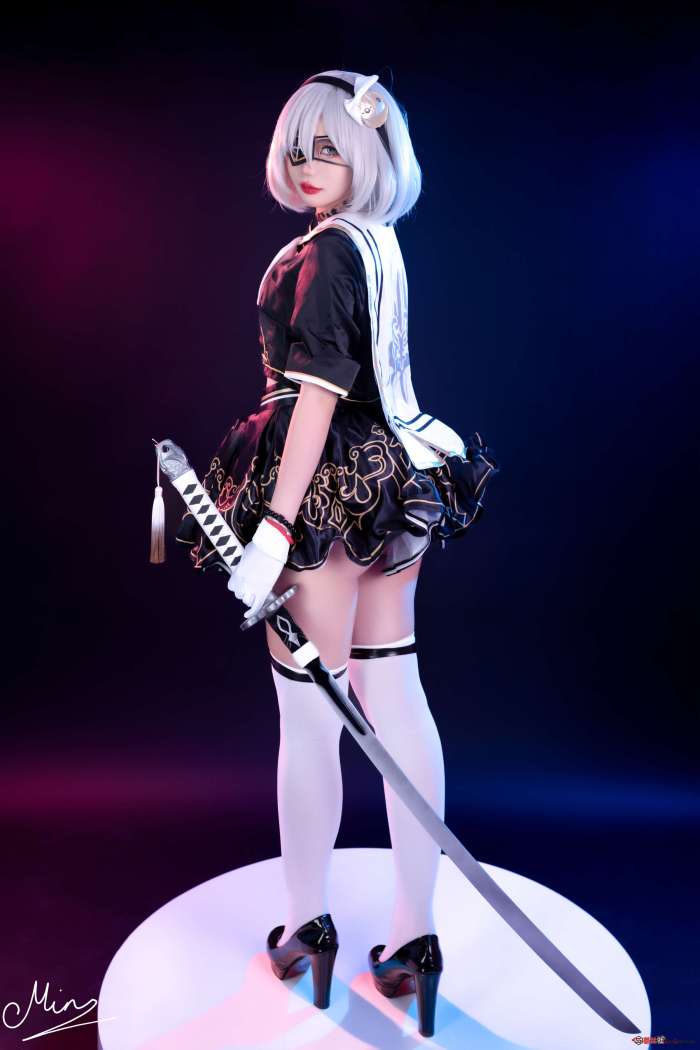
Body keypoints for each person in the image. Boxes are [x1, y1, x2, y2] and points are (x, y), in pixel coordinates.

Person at [175, 69, 500, 1038]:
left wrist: (275, 528)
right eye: (298, 148)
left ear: (367, 152)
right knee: (395, 695)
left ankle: (306, 926)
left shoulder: (324, 253)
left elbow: (314, 397)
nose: (310, 164)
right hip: (395, 481)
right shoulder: (377, 242)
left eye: (331, 147)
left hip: (322, 493)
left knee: (310, 717)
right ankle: (415, 941)